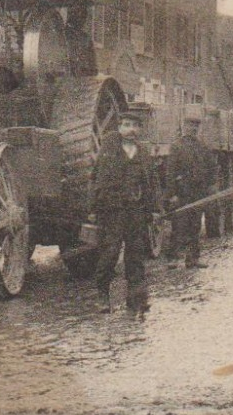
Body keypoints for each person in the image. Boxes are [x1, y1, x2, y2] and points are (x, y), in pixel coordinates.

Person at [91, 109, 163, 314]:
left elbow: (152, 183)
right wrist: (95, 208)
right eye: (126, 125)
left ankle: (136, 298)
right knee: (109, 253)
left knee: (136, 255)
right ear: (119, 127)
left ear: (139, 129)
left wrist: (155, 209)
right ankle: (102, 295)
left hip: (136, 212)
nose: (131, 130)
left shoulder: (143, 153)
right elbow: (98, 180)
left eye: (135, 126)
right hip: (113, 212)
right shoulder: (109, 149)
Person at [167, 117, 214, 269]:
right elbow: (170, 172)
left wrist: (210, 185)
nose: (193, 128)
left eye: (195, 126)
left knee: (195, 225)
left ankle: (193, 258)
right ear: (184, 126)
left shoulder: (203, 146)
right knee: (178, 226)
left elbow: (212, 167)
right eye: (190, 125)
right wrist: (172, 194)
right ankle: (173, 258)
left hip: (198, 192)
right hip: (182, 192)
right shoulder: (177, 146)